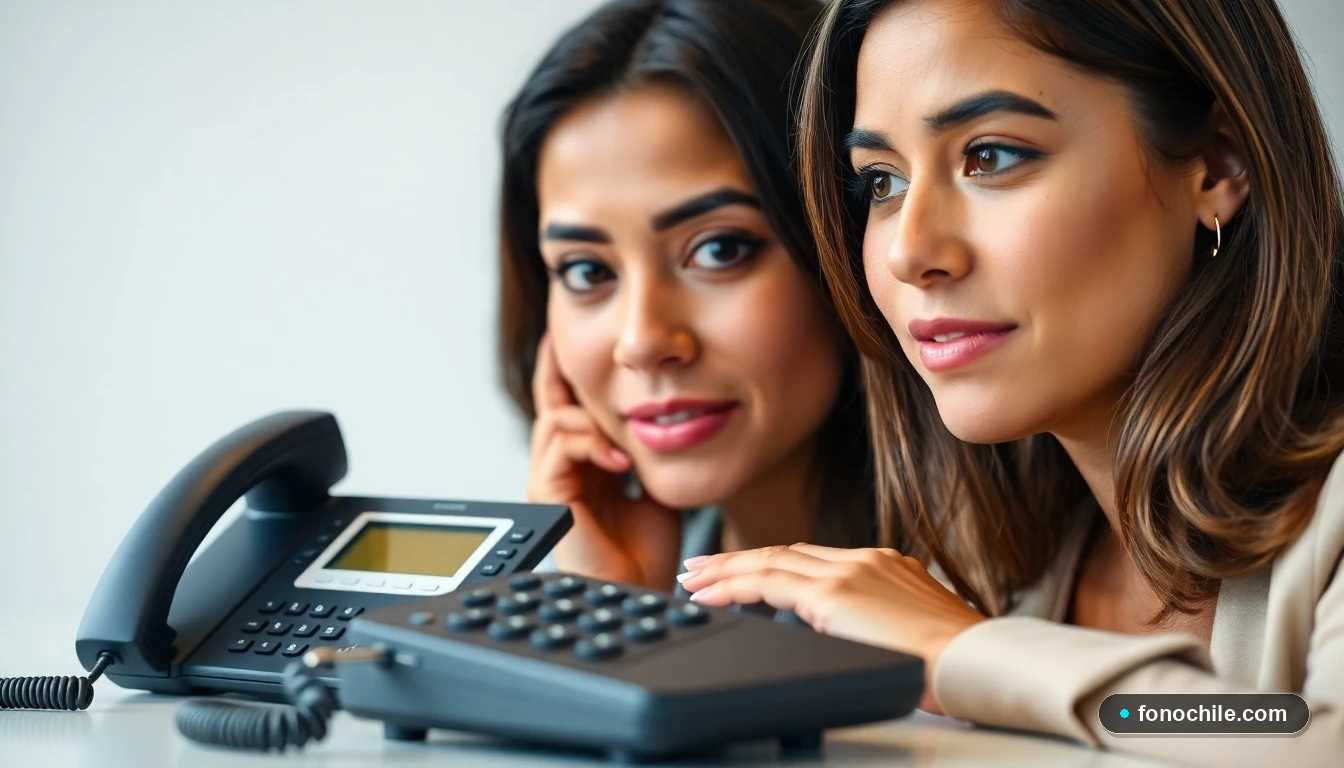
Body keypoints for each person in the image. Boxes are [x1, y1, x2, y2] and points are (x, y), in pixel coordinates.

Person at [679, 0, 1344, 764]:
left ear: (1222, 163)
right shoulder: (997, 553)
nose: (909, 252)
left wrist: (969, 651)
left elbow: (1314, 740)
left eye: (989, 156)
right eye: (883, 183)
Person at [496, 0, 874, 592]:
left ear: (843, 245)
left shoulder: (1006, 622)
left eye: (720, 249)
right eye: (587, 272)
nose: (643, 341)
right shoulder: (638, 579)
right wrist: (623, 612)